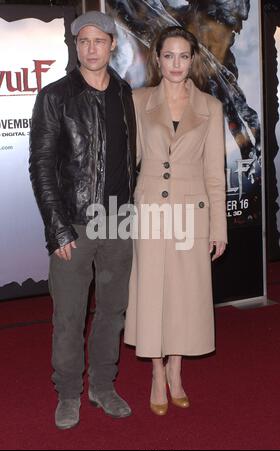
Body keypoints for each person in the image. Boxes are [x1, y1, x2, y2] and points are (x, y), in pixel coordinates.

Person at [29, 11, 136, 429]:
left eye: (99, 41)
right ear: (76, 47)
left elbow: (131, 159)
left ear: (112, 44)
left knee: (113, 311)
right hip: (73, 225)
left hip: (119, 223)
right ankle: (69, 391)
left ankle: (104, 387)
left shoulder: (125, 93)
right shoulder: (55, 96)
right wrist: (56, 229)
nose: (91, 49)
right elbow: (41, 167)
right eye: (84, 42)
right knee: (69, 316)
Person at [124, 26, 227, 415]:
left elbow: (215, 175)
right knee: (151, 293)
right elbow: (128, 162)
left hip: (192, 211)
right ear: (158, 58)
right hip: (150, 208)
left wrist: (219, 229)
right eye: (169, 55)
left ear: (192, 59)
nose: (176, 64)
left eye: (184, 56)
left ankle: (177, 371)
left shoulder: (210, 108)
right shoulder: (137, 101)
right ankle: (155, 372)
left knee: (185, 294)